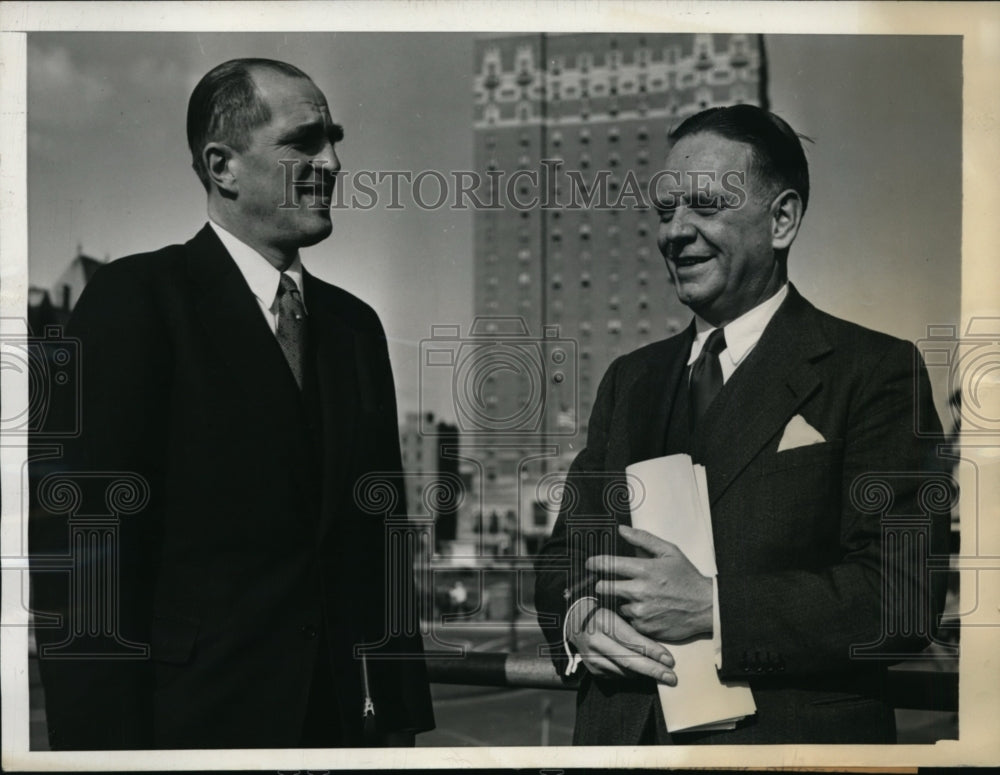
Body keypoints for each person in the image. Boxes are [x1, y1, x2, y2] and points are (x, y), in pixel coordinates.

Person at [30, 58, 434, 750]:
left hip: (340, 732)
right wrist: (102, 758)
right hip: (187, 730)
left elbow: (381, 536)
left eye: (334, 138)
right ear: (222, 166)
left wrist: (397, 723)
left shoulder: (355, 327)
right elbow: (84, 555)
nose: (332, 162)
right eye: (303, 142)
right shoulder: (136, 302)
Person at [534, 104, 950, 745]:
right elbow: (565, 555)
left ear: (781, 220)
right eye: (666, 211)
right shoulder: (629, 381)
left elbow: (901, 594)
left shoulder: (875, 371)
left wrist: (714, 608)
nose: (676, 231)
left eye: (704, 205)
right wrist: (579, 616)